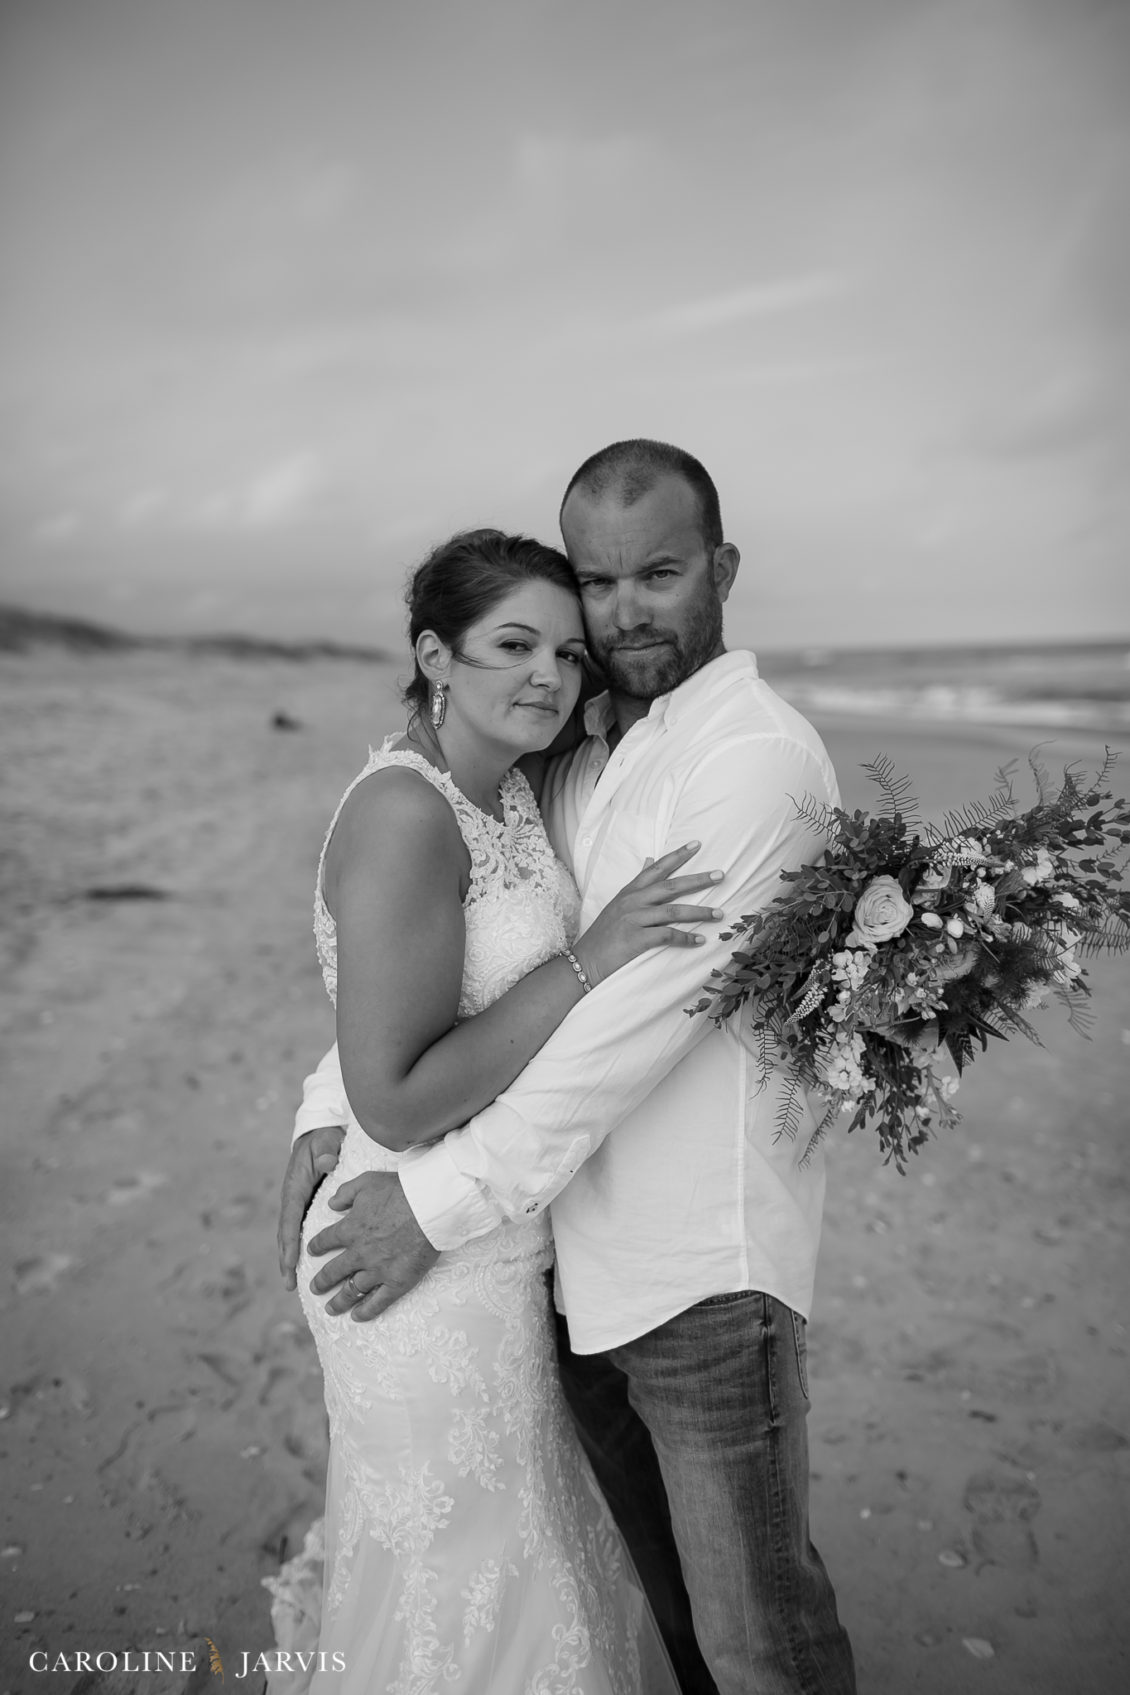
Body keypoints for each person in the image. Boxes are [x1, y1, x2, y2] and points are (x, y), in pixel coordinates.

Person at [283, 442, 858, 1695]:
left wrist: (431, 1204)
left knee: (758, 1645)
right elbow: (446, 965)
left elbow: (622, 1030)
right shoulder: (582, 756)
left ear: (721, 568)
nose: (618, 614)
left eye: (656, 573)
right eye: (595, 583)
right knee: (648, 1612)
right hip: (554, 1269)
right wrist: (327, 1109)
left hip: (689, 1276)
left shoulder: (744, 761)